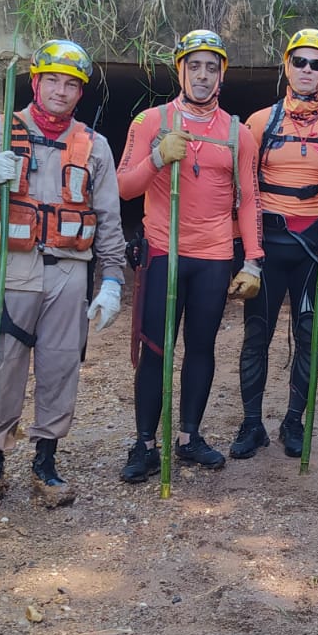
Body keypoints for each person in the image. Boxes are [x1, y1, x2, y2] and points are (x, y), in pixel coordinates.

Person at [0, 40, 128, 507]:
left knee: (60, 368)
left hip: (69, 274)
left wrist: (111, 282)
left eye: (71, 84)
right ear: (36, 82)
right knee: (2, 371)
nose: (61, 91)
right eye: (53, 80)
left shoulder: (96, 147)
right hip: (9, 270)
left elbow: (108, 220)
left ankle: (45, 464)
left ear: (80, 92)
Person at [115, 29, 263, 481]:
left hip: (215, 257)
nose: (202, 75)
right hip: (163, 251)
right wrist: (158, 157)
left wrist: (253, 260)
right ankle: (143, 444)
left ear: (221, 75)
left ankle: (189, 437)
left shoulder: (238, 134)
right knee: (157, 348)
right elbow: (122, 187)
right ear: (180, 70)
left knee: (201, 347)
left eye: (211, 67)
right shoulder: (149, 122)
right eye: (194, 66)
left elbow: (249, 200)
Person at [231, 29, 318, 459]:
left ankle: (294, 421)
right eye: (299, 62)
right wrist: (247, 253)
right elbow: (242, 188)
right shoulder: (261, 121)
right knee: (257, 336)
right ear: (286, 66)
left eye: (316, 63)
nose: (307, 70)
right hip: (269, 247)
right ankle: (252, 424)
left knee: (307, 337)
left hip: (311, 251)